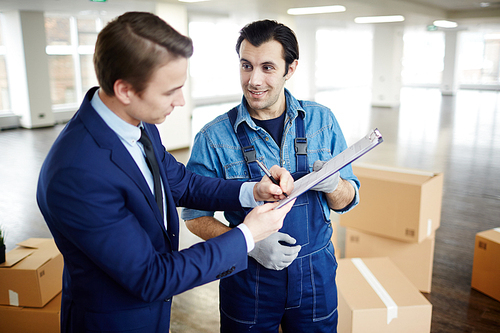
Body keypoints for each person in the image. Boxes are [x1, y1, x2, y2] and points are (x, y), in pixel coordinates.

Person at [36, 12, 295, 333]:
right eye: (170, 91)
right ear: (126, 90)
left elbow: (180, 182)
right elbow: (152, 276)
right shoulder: (77, 173)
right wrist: (247, 235)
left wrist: (251, 191)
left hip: (153, 314)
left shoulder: (137, 122)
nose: (181, 101)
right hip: (114, 321)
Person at [181, 19, 360, 332]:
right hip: (248, 280)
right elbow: (195, 217)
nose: (254, 80)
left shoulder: (323, 121)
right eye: (246, 65)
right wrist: (248, 244)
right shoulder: (213, 138)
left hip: (315, 280)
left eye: (267, 67)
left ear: (290, 69)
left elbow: (348, 199)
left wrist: (335, 184)